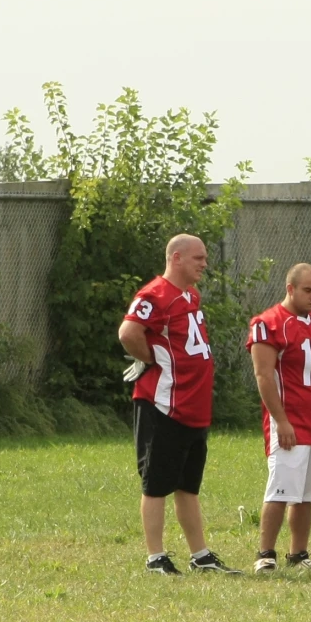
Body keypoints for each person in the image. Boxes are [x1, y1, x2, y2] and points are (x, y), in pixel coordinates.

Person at [118, 233, 236, 574]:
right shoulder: (155, 294)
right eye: (198, 257)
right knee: (156, 483)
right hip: (164, 403)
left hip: (193, 403)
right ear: (177, 258)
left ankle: (200, 554)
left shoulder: (190, 295)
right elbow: (129, 332)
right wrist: (150, 359)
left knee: (188, 484)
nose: (204, 263)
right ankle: (156, 557)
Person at [246, 262, 311, 572]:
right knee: (281, 488)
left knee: (306, 493)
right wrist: (281, 420)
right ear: (290, 289)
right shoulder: (269, 323)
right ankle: (265, 553)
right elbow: (264, 375)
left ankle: (298, 553)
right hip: (289, 420)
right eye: (307, 291)